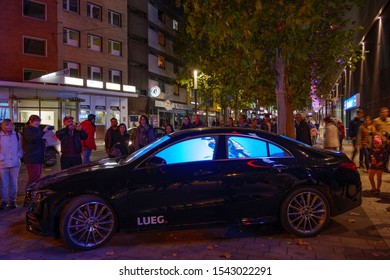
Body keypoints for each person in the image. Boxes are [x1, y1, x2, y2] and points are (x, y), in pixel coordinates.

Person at [22, 115, 49, 206]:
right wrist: (43, 132)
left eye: (38, 121)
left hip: (38, 157)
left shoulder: (36, 130)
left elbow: (36, 141)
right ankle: (29, 199)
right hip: (32, 157)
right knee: (33, 179)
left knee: (36, 179)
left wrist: (43, 142)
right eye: (35, 121)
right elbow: (31, 139)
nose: (37, 123)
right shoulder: (28, 130)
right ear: (30, 121)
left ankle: (31, 198)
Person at [0, 119, 23, 209]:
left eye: (10, 125)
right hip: (3, 164)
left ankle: (13, 201)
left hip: (15, 163)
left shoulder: (17, 135)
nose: (8, 127)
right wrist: (1, 157)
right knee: (4, 184)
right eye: (6, 125)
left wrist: (19, 155)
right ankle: (4, 202)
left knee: (14, 183)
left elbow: (21, 147)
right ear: (3, 126)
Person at [373, 107, 390, 172]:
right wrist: (380, 135)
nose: (384, 113)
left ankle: (385, 167)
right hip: (379, 141)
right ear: (380, 113)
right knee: (378, 154)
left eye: (385, 112)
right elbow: (373, 131)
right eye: (382, 112)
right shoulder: (376, 121)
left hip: (388, 141)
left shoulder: (389, 120)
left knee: (387, 155)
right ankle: (377, 166)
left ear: (387, 113)